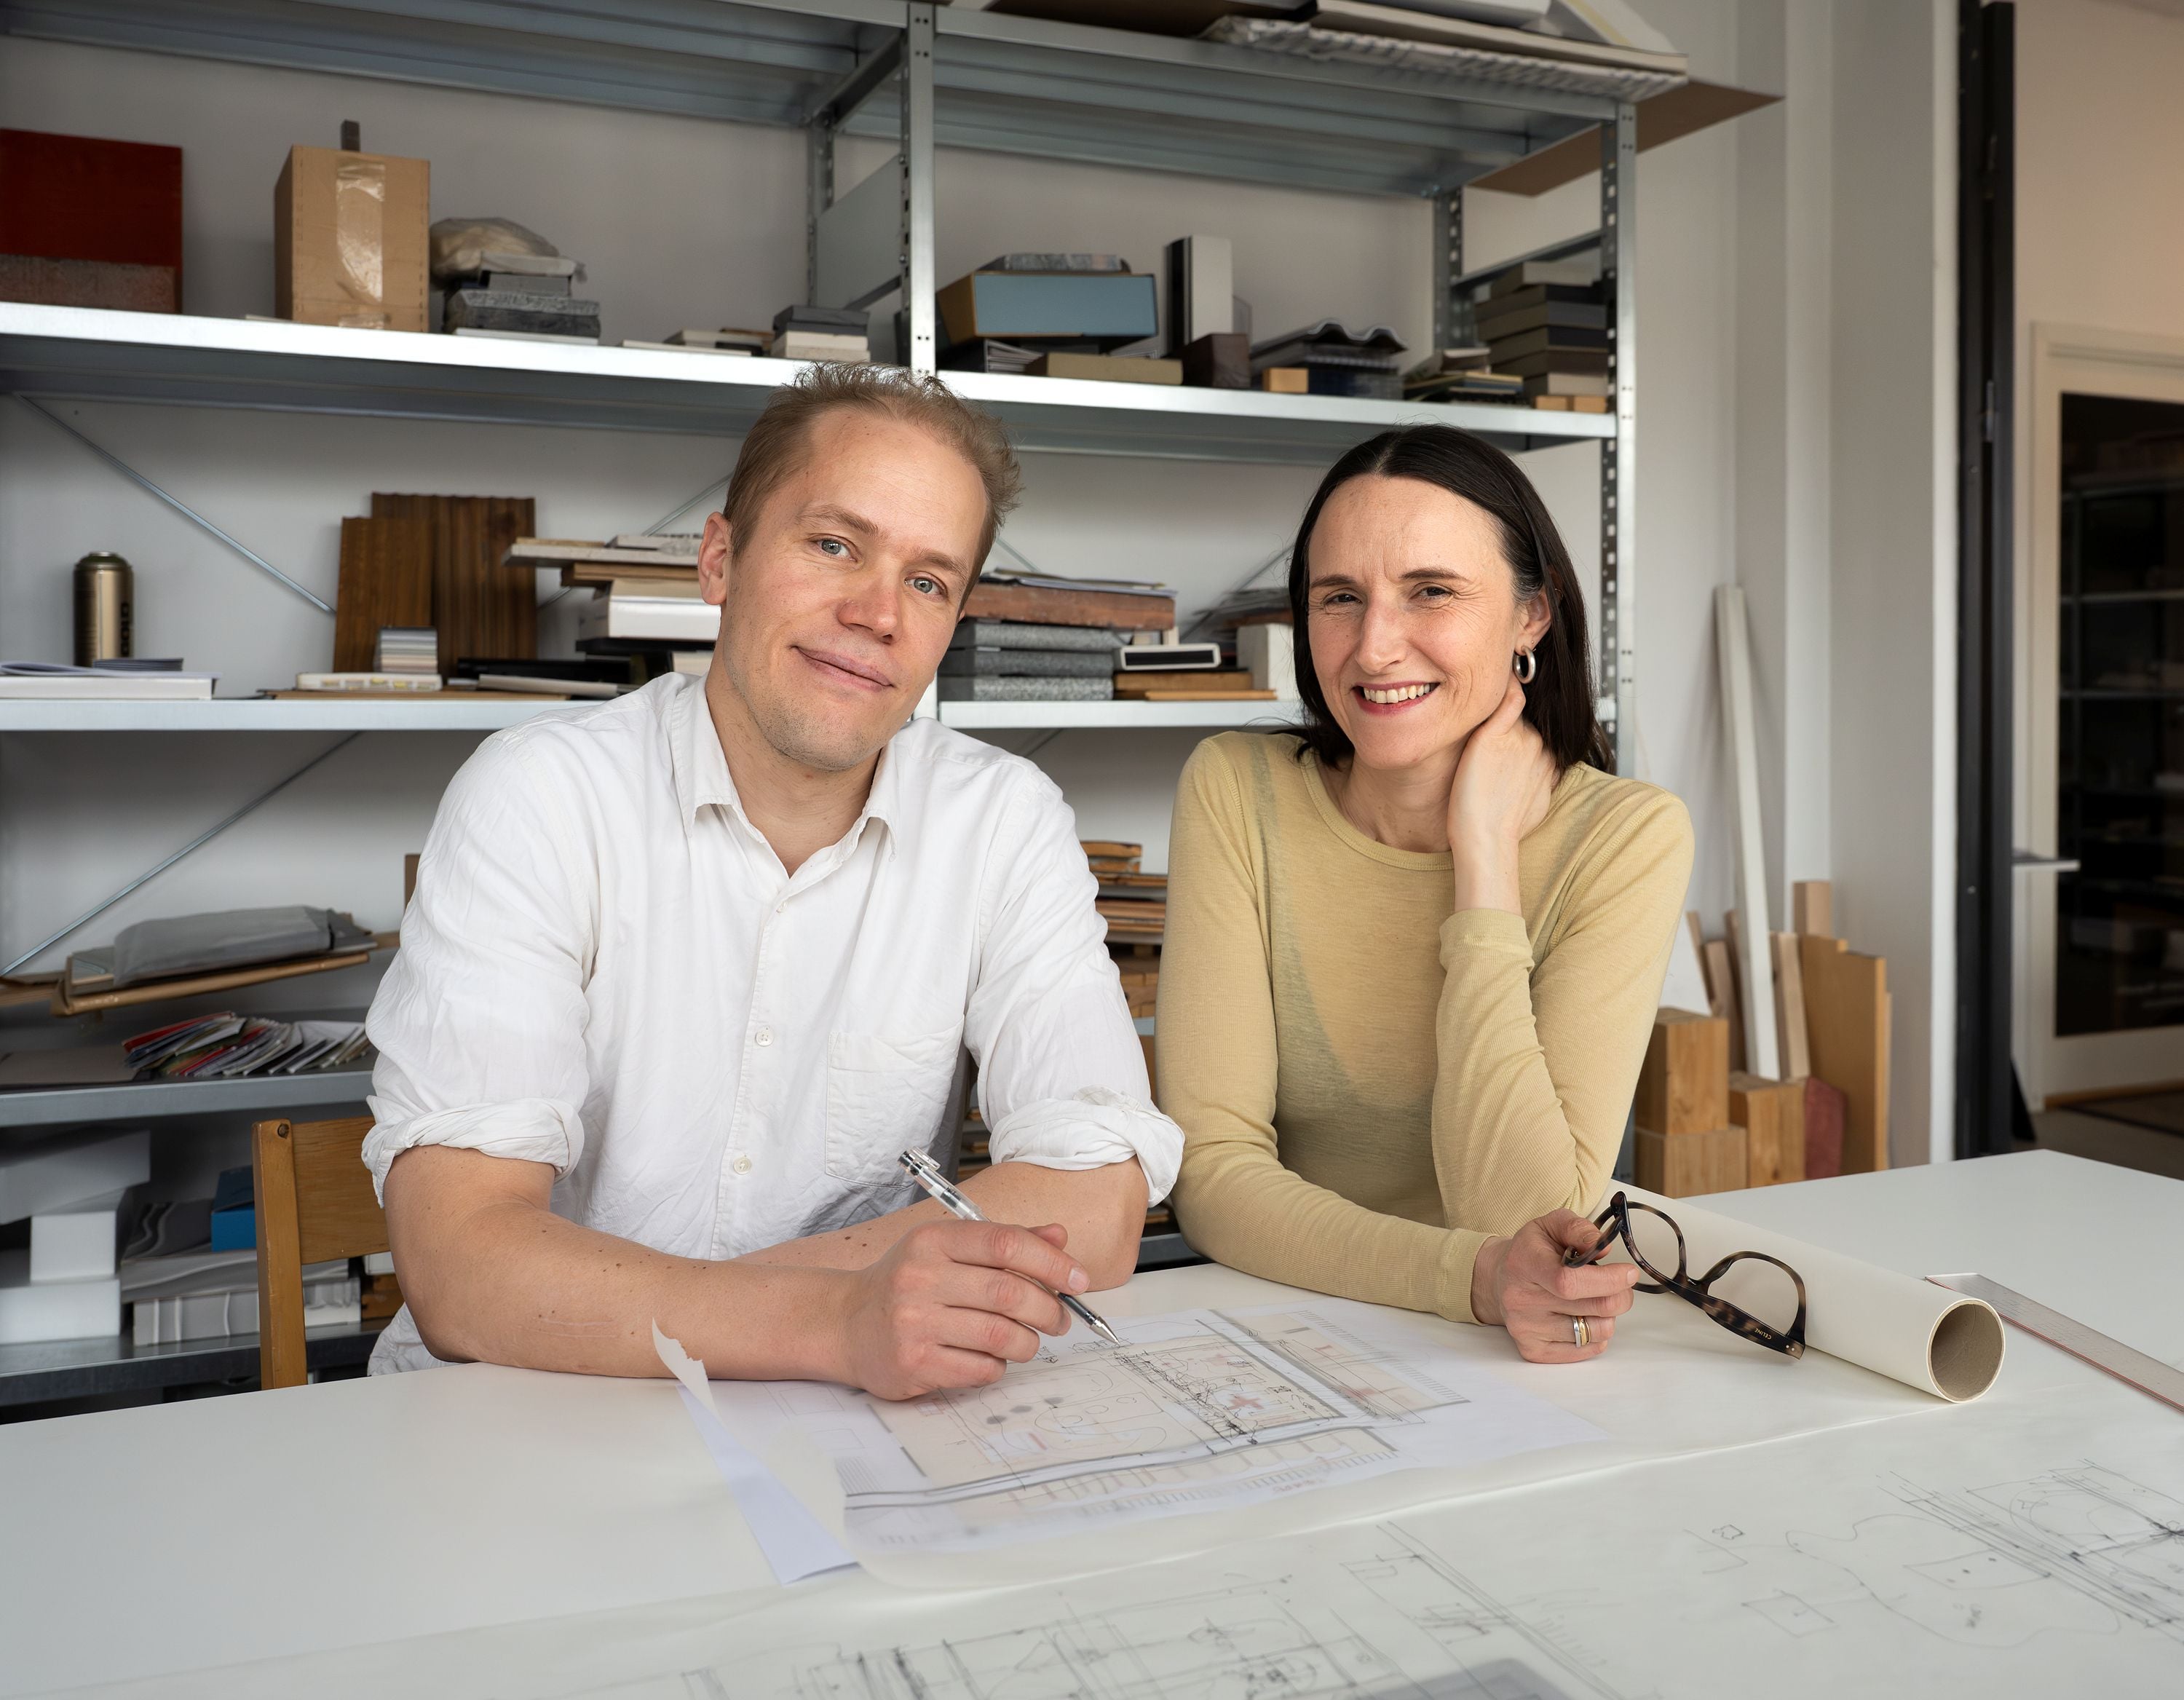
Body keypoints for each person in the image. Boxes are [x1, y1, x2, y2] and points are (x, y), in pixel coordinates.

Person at [364, 365, 1179, 1398]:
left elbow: (1096, 1202)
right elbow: (464, 1267)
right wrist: (832, 1314)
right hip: (534, 1408)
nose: (879, 613)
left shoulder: (1003, 820)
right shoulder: (539, 796)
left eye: (928, 581)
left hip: (832, 1419)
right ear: (719, 560)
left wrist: (646, 1305)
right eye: (834, 545)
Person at [1159, 424, 1691, 1363]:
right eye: (1340, 599)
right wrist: (1470, 1280)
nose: (1373, 647)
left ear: (1533, 615)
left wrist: (1481, 862)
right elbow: (1209, 1173)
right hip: (1281, 1323)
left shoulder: (1626, 837)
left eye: (1432, 592)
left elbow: (1530, 1213)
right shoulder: (1236, 790)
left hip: (1496, 1368)